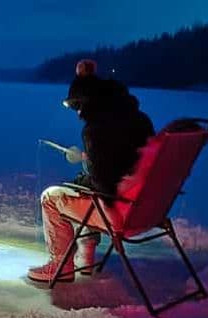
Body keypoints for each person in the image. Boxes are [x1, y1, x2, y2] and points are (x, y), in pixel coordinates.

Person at [28, 59, 155, 282]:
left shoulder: (95, 129)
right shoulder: (141, 120)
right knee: (83, 189)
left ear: (88, 102)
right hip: (148, 207)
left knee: (53, 197)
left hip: (119, 211)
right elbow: (126, 156)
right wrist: (92, 158)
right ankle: (86, 258)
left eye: (78, 106)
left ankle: (61, 266)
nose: (78, 113)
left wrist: (87, 170)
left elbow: (102, 183)